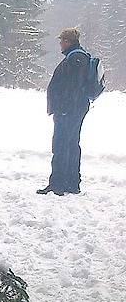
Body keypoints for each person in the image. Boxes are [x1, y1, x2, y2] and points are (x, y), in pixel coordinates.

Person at [38, 28, 91, 196]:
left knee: (62, 145)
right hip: (73, 109)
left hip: (69, 110)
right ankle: (71, 182)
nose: (60, 43)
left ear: (68, 41)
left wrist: (63, 108)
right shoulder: (77, 56)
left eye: (62, 40)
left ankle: (59, 183)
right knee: (70, 144)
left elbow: (73, 86)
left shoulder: (76, 58)